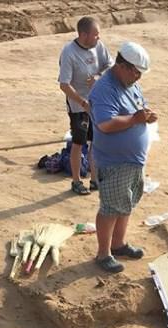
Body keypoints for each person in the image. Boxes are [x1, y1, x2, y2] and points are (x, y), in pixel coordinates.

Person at [88, 42, 157, 273]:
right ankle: (103, 253)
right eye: (136, 72)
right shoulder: (105, 88)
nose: (138, 77)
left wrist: (146, 115)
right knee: (110, 207)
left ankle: (118, 244)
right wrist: (135, 120)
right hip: (114, 161)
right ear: (123, 66)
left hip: (133, 160)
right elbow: (106, 124)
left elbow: (138, 107)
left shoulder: (130, 84)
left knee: (126, 204)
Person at [58, 16, 114, 196]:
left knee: (96, 141)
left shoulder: (98, 46)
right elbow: (64, 84)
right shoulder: (69, 52)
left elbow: (110, 65)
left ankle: (95, 180)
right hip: (78, 106)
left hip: (97, 102)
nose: (99, 37)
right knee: (78, 142)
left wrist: (100, 76)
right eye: (95, 34)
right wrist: (83, 103)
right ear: (83, 35)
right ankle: (76, 181)